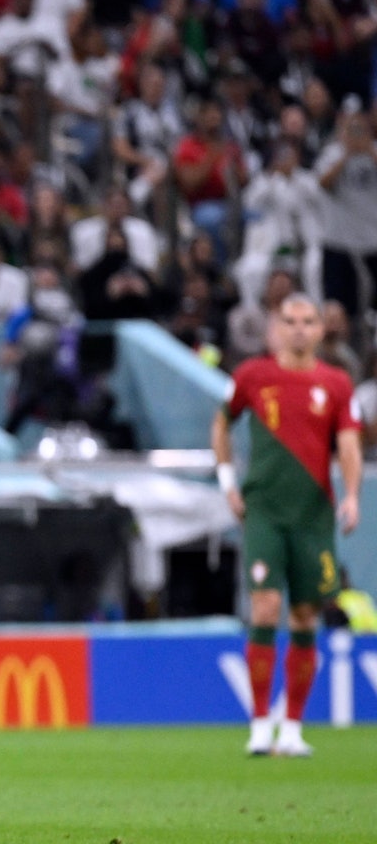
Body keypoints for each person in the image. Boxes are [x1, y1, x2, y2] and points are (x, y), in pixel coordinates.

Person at [211, 294, 362, 757]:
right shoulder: (253, 376)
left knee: (304, 616)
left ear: (321, 329)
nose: (299, 329)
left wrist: (353, 495)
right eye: (290, 321)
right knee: (263, 606)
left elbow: (349, 443)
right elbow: (221, 424)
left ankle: (292, 728)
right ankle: (260, 724)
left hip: (314, 514)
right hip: (264, 511)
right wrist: (227, 483)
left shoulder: (336, 384)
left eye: (308, 321)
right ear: (276, 327)